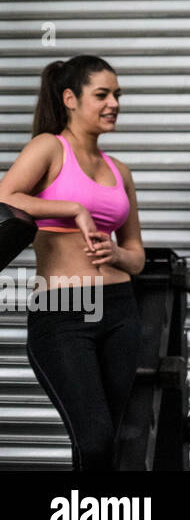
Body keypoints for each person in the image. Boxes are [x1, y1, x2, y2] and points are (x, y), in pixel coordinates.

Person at [0, 55, 146, 469]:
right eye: (102, 94)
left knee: (105, 446)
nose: (113, 103)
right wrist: (73, 208)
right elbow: (6, 197)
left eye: (117, 94)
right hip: (61, 311)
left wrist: (116, 253)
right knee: (95, 439)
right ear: (69, 98)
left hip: (120, 309)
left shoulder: (121, 171)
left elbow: (136, 255)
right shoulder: (49, 147)